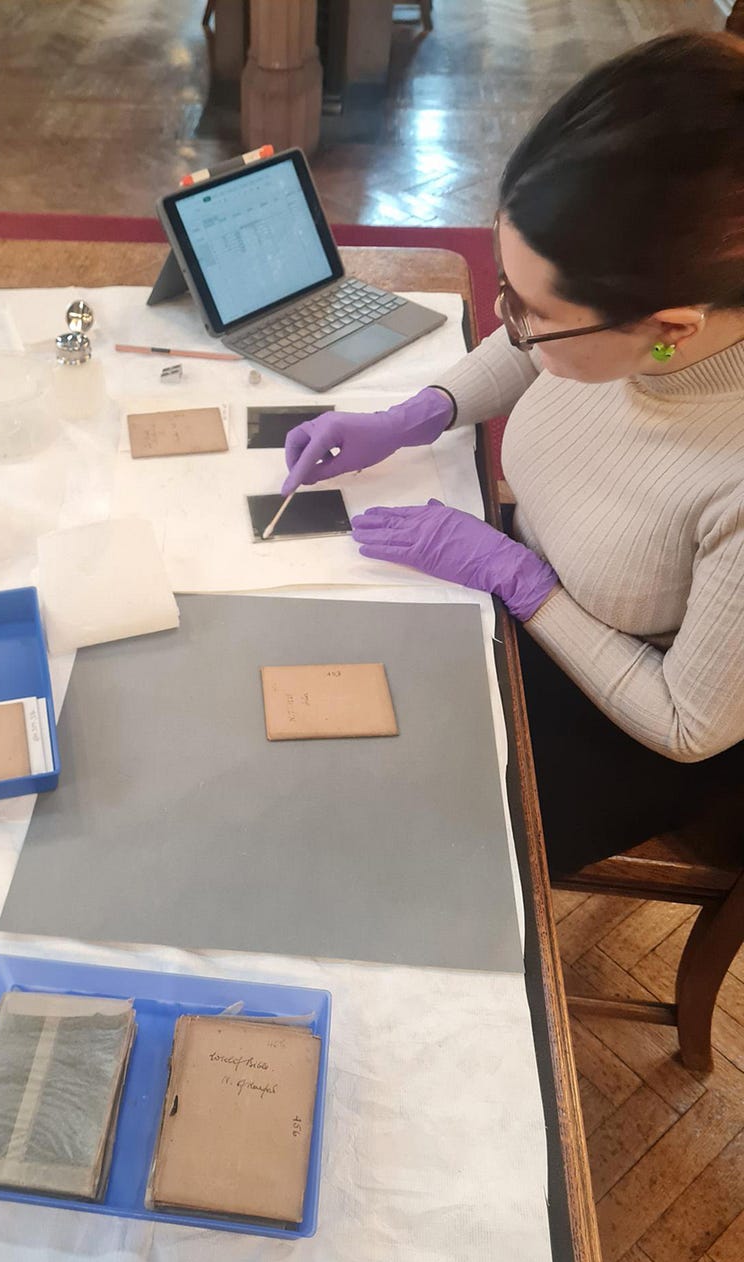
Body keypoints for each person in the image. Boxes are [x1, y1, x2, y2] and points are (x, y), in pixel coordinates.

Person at [282, 31, 744, 881]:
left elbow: (688, 723)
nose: (511, 326)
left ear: (672, 331)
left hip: (623, 707)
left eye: (532, 309)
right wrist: (421, 414)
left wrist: (518, 580)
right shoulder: (626, 317)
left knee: (381, 856)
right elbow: (534, 347)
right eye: (507, 291)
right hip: (526, 581)